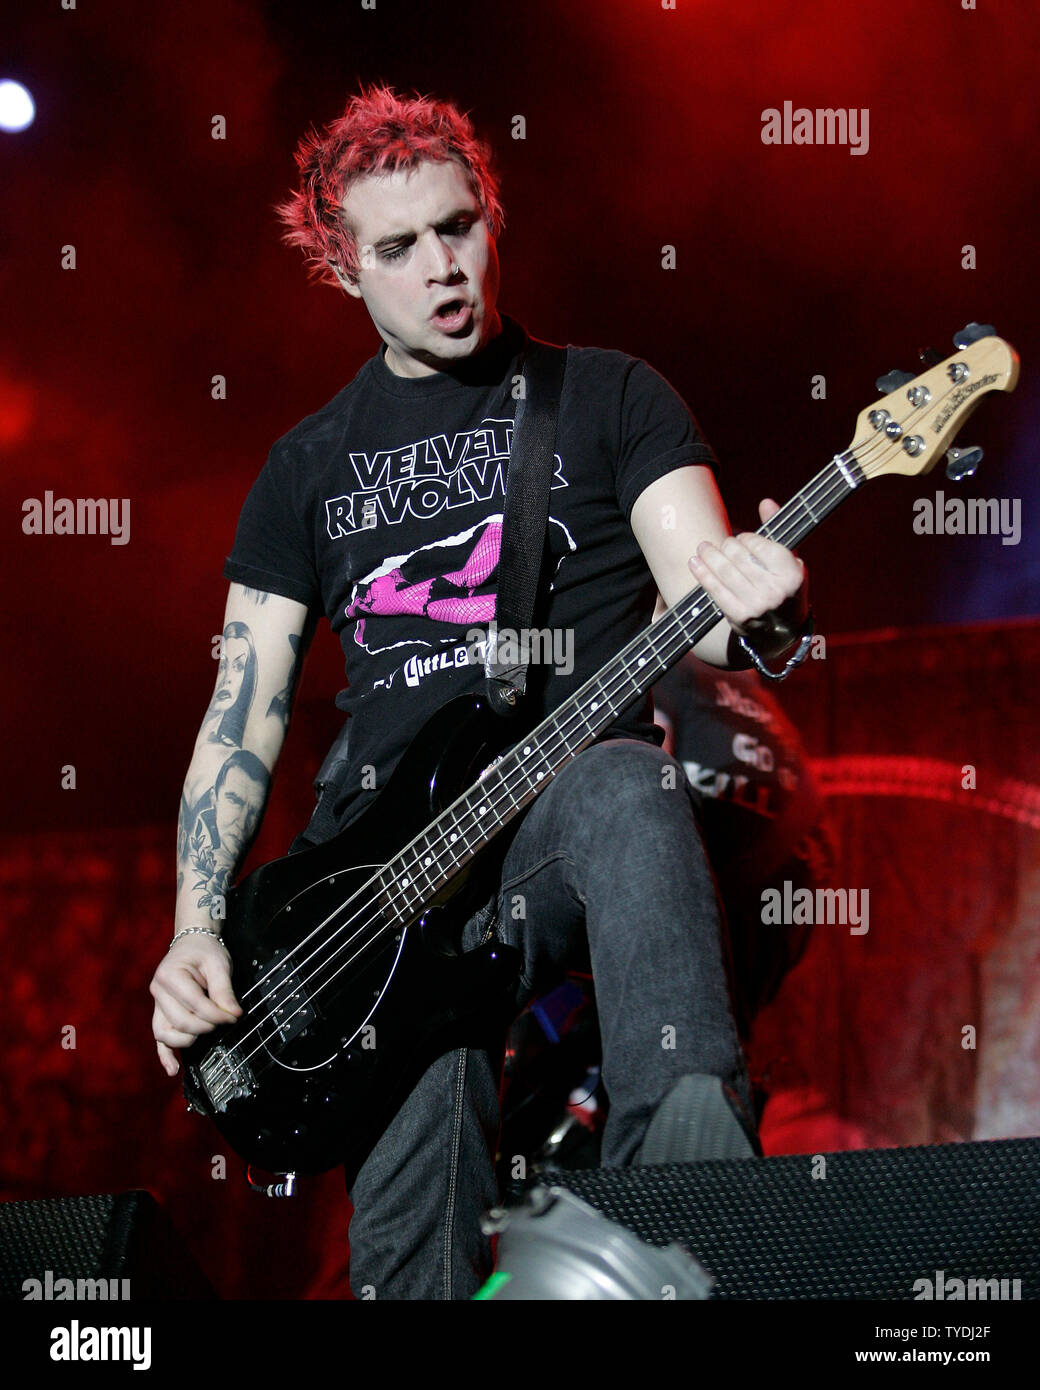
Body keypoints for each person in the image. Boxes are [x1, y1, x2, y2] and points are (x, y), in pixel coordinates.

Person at [148, 85, 812, 1300]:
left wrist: (758, 602)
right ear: (343, 270)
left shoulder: (607, 397)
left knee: (625, 781)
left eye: (458, 228)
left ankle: (688, 1199)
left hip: (548, 823)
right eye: (398, 248)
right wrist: (196, 925)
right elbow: (240, 712)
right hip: (374, 892)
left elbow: (701, 593)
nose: (440, 267)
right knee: (407, 1266)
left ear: (492, 221)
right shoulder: (304, 463)